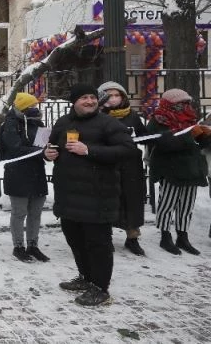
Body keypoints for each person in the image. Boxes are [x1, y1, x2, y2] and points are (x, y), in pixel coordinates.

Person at [44, 83, 138, 307]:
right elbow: (50, 146)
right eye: (84, 98)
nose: (90, 101)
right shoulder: (63, 123)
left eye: (92, 97)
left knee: (98, 245)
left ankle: (100, 288)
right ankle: (86, 278)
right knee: (75, 241)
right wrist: (47, 154)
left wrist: (89, 150)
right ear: (74, 102)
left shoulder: (108, 123)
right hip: (68, 195)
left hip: (98, 196)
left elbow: (128, 149)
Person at [145, 88, 211, 256]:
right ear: (169, 104)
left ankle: (183, 236)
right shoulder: (158, 120)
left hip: (192, 168)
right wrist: (190, 137)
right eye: (180, 103)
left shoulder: (190, 118)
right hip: (170, 169)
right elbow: (165, 143)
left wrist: (205, 136)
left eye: (186, 103)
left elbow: (198, 145)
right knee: (168, 203)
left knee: (187, 205)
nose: (184, 106)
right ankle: (165, 236)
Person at [97, 80, 147, 256]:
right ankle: (105, 236)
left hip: (130, 165)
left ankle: (132, 237)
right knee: (107, 200)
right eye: (109, 95)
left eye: (117, 95)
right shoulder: (97, 116)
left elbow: (144, 135)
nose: (113, 98)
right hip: (107, 165)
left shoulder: (132, 116)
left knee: (132, 201)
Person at [0, 92, 49, 262]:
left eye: (36, 105)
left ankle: (33, 245)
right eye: (31, 106)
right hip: (17, 174)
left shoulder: (38, 123)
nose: (35, 108)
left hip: (37, 173)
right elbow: (15, 149)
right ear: (23, 108)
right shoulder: (10, 124)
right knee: (19, 213)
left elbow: (43, 147)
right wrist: (40, 152)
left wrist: (49, 152)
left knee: (36, 213)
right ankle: (18, 246)